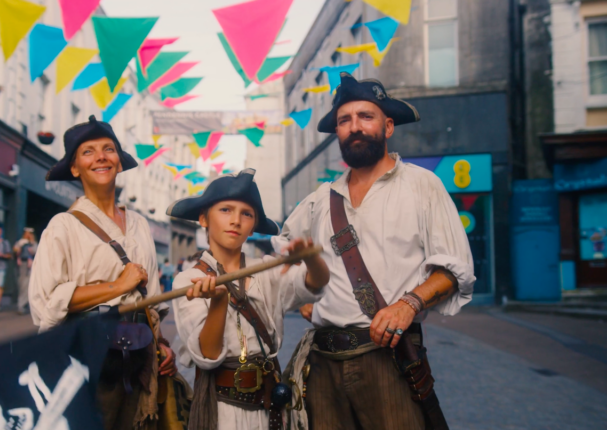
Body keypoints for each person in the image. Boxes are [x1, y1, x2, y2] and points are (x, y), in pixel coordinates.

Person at [276, 74, 476, 430]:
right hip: (323, 363)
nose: (354, 127)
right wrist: (305, 297)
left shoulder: (422, 185)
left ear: (387, 126)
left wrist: (408, 304)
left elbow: (455, 267)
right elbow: (284, 252)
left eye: (365, 117)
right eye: (344, 120)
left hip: (389, 359)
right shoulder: (319, 200)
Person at [29, 115, 178, 430]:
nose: (100, 156)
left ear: (118, 163)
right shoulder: (62, 226)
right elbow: (48, 304)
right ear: (74, 168)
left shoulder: (139, 224)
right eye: (88, 151)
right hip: (89, 361)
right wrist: (117, 285)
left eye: (108, 149)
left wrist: (162, 343)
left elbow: (149, 298)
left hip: (140, 356)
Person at [170, 169, 330, 430]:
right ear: (203, 218)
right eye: (225, 210)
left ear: (254, 225)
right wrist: (218, 302)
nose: (235, 220)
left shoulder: (267, 269)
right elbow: (207, 355)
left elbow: (316, 282)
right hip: (221, 408)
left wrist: (311, 258)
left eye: (246, 214)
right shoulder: (188, 281)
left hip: (270, 406)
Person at [13, 227, 37, 314]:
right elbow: (15, 250)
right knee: (22, 285)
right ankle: (22, 305)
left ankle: (22, 305)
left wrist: (32, 243)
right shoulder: (20, 242)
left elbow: (36, 252)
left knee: (28, 285)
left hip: (31, 265)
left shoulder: (33, 243)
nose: (28, 235)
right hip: (21, 265)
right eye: (27, 233)